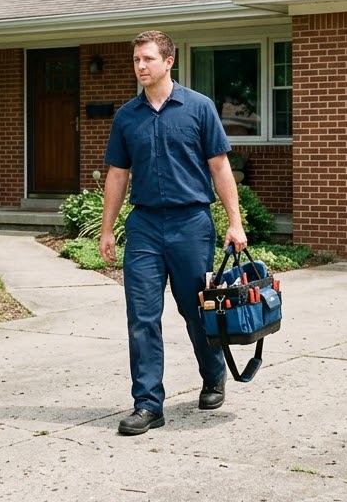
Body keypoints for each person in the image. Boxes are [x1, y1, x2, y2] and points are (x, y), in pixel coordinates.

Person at [100, 30, 248, 435]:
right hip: (145, 225)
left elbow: (220, 168)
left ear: (169, 62)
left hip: (191, 225)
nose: (141, 66)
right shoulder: (127, 116)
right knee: (142, 316)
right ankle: (148, 404)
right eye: (136, 60)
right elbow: (117, 174)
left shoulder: (199, 109)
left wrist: (235, 223)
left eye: (147, 59)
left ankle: (213, 372)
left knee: (195, 310)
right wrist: (107, 228)